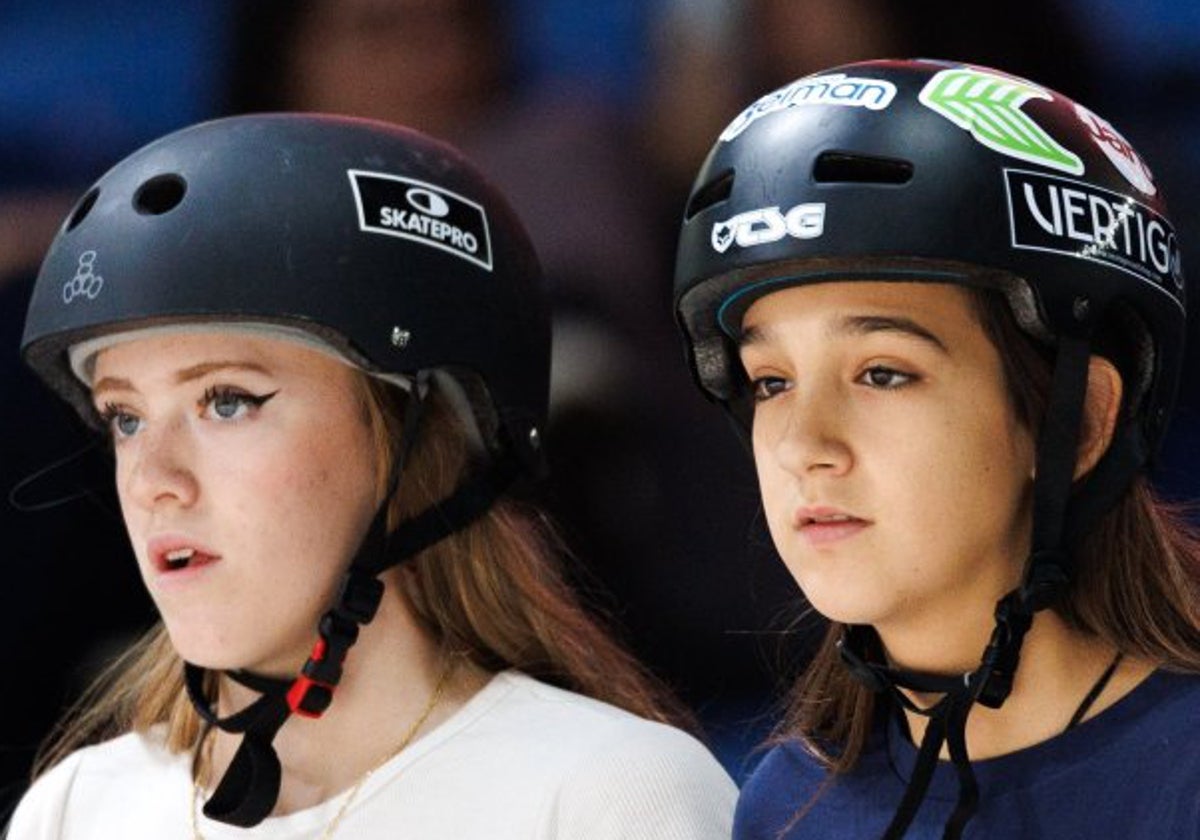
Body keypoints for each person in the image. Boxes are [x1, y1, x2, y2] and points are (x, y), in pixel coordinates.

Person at [6, 113, 737, 839]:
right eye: (125, 418)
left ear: (419, 437)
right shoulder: (76, 810)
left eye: (226, 402)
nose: (153, 481)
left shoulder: (613, 793)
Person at [672, 58, 1200, 838]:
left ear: (1081, 420)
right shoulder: (788, 806)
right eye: (772, 382)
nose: (805, 447)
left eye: (882, 373)